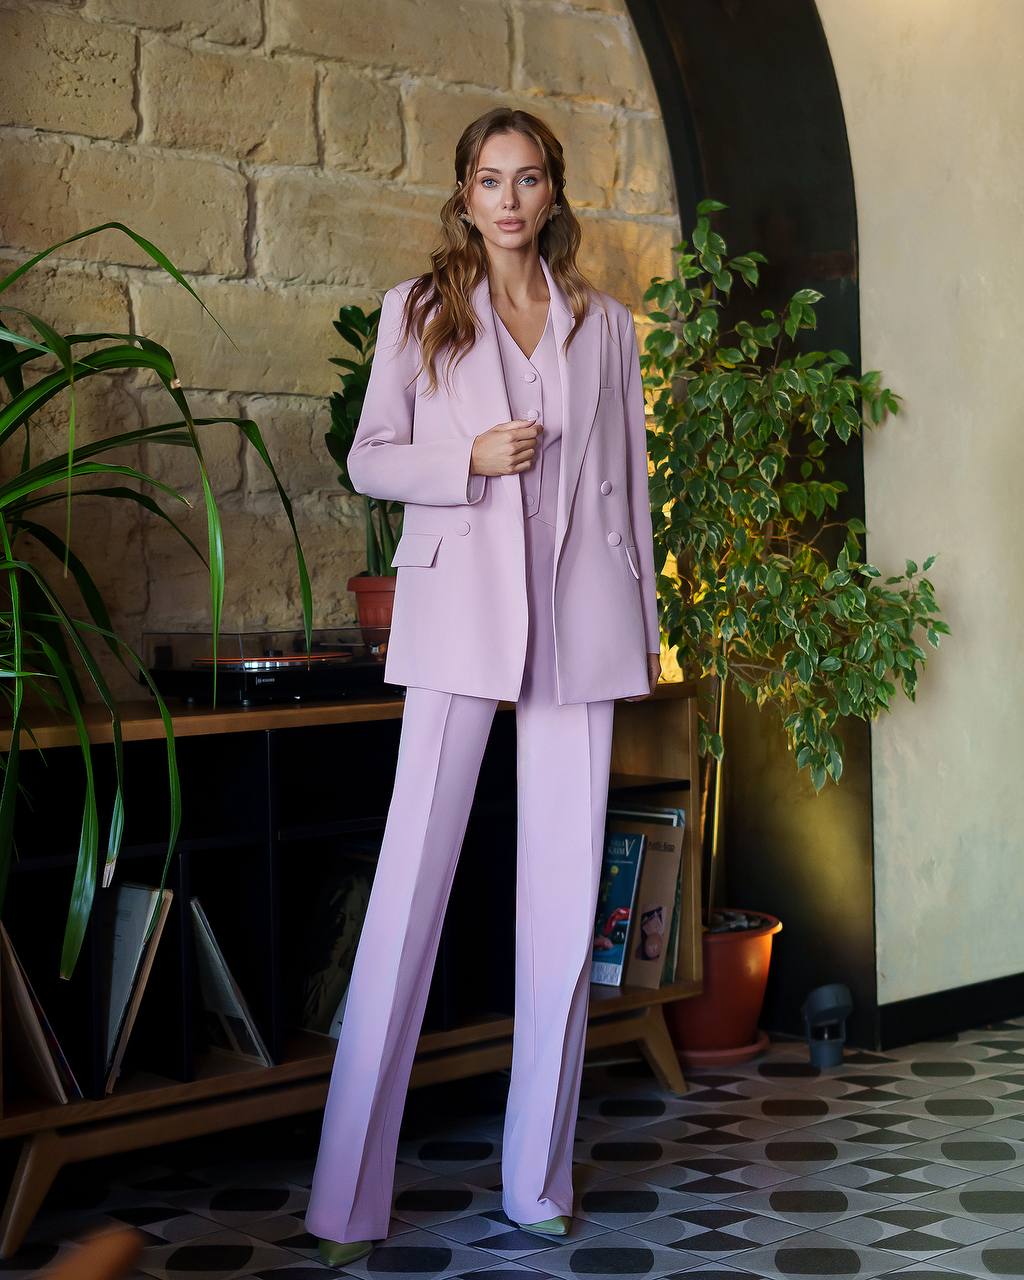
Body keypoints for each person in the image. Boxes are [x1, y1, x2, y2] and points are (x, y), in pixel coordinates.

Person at [305, 106, 662, 1267]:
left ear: (553, 193)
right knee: (408, 889)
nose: (509, 199)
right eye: (490, 179)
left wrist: (641, 633)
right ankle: (346, 1199)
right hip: (460, 609)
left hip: (579, 617)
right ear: (464, 194)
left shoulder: (605, 324)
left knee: (562, 903)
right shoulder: (421, 310)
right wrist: (463, 457)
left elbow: (629, 487)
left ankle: (537, 1178)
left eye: (529, 178)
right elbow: (367, 456)